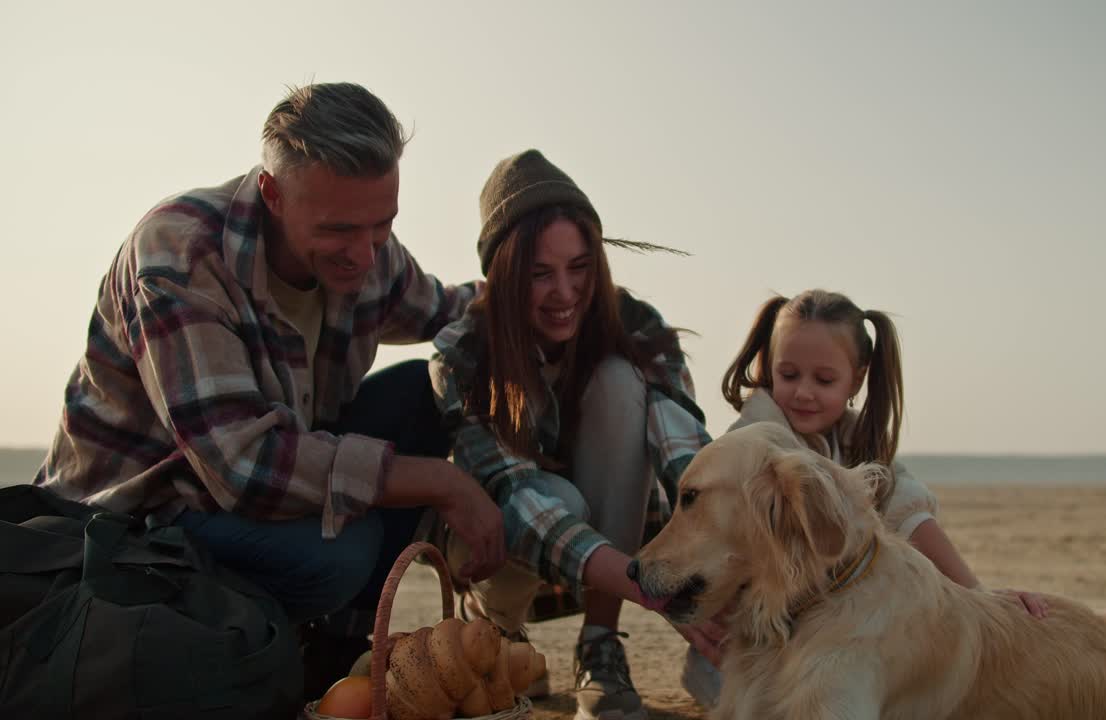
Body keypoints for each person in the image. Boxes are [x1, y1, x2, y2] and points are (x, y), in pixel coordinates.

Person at [32, 82, 506, 700]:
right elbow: (245, 467)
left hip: (255, 489)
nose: (365, 256)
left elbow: (454, 310)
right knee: (342, 552)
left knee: (420, 392)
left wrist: (553, 293)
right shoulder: (181, 253)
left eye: (382, 225)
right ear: (273, 194)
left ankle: (335, 660)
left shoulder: (370, 252)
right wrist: (443, 481)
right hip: (144, 517)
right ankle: (247, 643)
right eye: (340, 230)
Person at [428, 149, 720, 720]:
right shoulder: (462, 351)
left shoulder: (635, 324)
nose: (565, 292)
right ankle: (496, 628)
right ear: (502, 275)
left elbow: (683, 451)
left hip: (617, 520)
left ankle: (599, 644)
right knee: (554, 498)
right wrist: (651, 589)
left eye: (580, 267)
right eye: (540, 274)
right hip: (503, 539)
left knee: (620, 379)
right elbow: (519, 501)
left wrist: (707, 561)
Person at [680, 288, 1050, 708]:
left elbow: (913, 519)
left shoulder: (860, 446)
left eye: (823, 380)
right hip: (741, 651)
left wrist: (979, 593)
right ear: (769, 367)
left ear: (856, 379)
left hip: (823, 640)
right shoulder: (750, 451)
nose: (803, 392)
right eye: (789, 375)